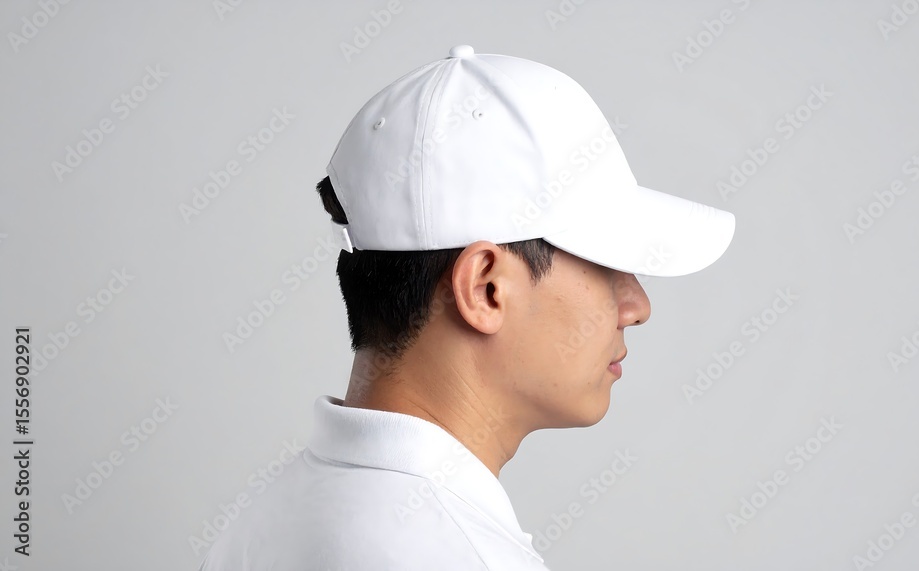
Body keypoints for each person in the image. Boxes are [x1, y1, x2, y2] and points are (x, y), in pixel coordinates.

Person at [198, 44, 735, 571]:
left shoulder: (260, 523)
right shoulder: (461, 555)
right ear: (485, 288)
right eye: (606, 261)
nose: (637, 306)